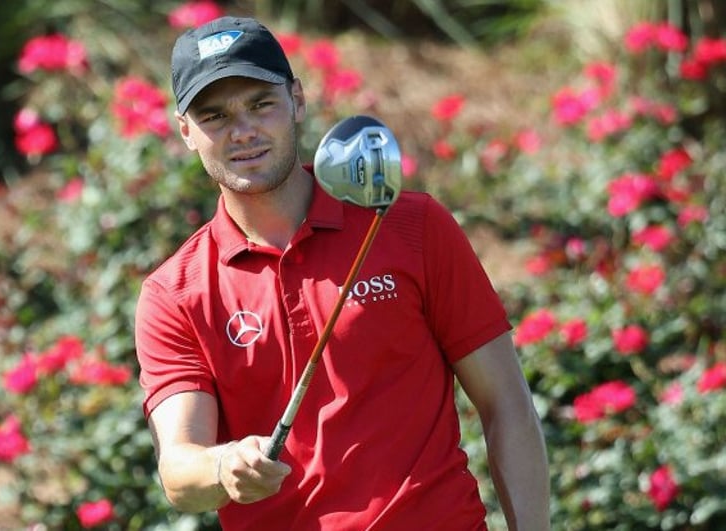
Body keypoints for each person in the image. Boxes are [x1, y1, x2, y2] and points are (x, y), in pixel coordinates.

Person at [133, 16, 550, 530]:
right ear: (185, 132)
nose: (242, 131)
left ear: (297, 101)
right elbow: (179, 470)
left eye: (261, 105)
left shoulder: (412, 226)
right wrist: (223, 465)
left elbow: (505, 402)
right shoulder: (174, 294)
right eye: (215, 116)